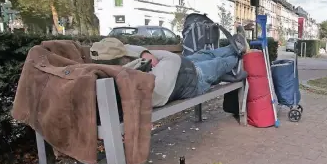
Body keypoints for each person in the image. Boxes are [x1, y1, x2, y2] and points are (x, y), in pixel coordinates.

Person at [90, 33, 249, 107]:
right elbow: (170, 60)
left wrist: (143, 53)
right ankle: (236, 57)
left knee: (204, 54)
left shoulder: (119, 64)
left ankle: (232, 47)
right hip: (191, 82)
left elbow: (128, 48)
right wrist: (153, 57)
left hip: (181, 69)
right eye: (126, 54)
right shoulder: (133, 83)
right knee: (217, 64)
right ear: (121, 60)